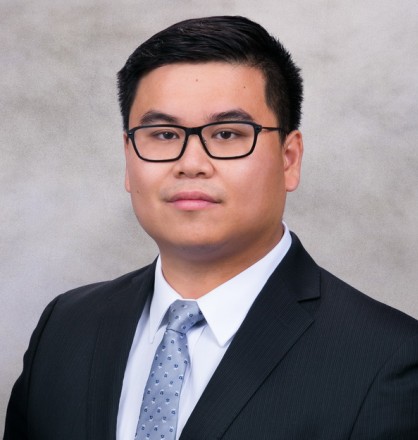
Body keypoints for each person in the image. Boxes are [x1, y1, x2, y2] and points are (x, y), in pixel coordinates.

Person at [4, 15, 418, 440]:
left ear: (289, 159)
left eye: (226, 134)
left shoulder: (391, 360)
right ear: (129, 157)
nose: (191, 164)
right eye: (164, 135)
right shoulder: (65, 328)